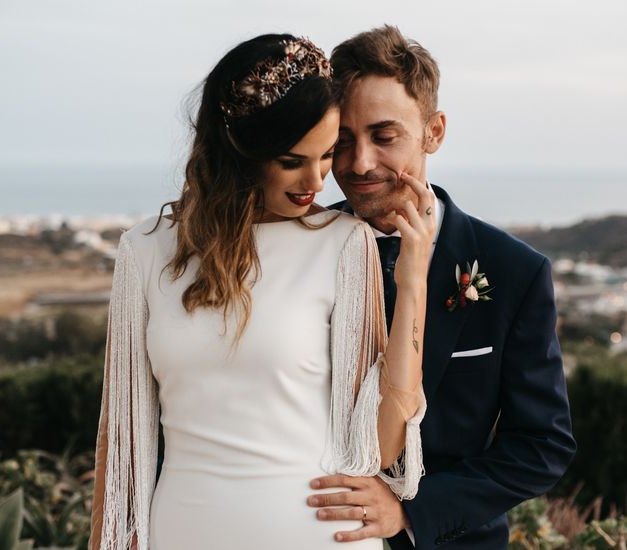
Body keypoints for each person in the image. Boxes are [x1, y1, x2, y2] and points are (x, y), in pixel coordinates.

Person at [89, 34, 437, 550]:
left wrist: (412, 282)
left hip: (320, 538)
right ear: (242, 152)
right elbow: (118, 444)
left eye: (326, 154)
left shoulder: (345, 245)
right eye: (293, 160)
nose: (317, 181)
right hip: (185, 533)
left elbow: (381, 448)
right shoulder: (144, 251)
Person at [307, 25, 577, 549]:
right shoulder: (298, 251)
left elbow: (543, 444)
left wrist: (413, 512)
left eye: (384, 137)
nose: (359, 163)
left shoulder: (514, 271)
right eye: (343, 141)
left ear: (434, 132)